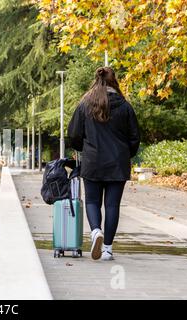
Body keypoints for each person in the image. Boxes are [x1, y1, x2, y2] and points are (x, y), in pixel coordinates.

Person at [68, 67, 140, 261]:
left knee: (92, 201)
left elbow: (74, 134)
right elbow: (134, 137)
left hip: (93, 161)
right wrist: (126, 154)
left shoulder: (85, 105)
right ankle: (107, 249)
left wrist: (81, 148)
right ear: (114, 81)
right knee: (112, 205)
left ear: (96, 80)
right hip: (118, 162)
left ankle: (95, 232)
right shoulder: (125, 106)